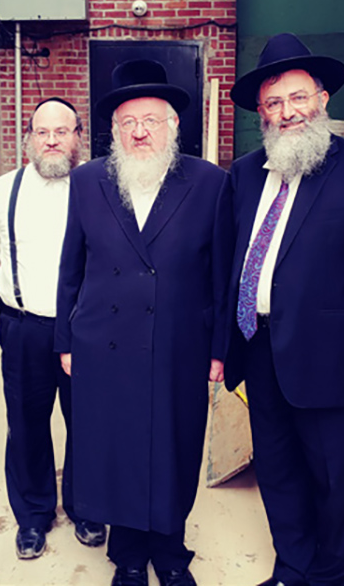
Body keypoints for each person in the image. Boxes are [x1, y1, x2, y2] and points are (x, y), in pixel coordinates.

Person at [224, 33, 344, 586]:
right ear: (261, 112)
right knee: (279, 471)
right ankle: (292, 569)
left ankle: (334, 580)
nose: (287, 112)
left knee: (338, 483)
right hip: (261, 350)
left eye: (298, 97)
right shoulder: (244, 175)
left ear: (323, 99)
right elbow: (232, 262)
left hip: (339, 359)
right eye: (274, 102)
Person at [55, 60, 231, 586]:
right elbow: (71, 265)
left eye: (151, 120)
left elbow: (222, 275)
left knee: (175, 445)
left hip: (180, 341)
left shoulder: (210, 182)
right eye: (127, 122)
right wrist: (65, 338)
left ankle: (170, 552)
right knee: (119, 447)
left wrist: (220, 348)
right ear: (114, 130)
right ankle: (128, 554)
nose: (139, 132)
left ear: (173, 124)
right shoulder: (88, 180)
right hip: (104, 341)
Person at [0, 97, 107, 560]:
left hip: (84, 332)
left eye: (61, 131)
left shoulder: (99, 188)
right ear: (28, 138)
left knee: (88, 421)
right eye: (42, 132)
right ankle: (32, 516)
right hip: (24, 328)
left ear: (78, 137)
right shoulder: (2, 191)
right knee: (25, 424)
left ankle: (87, 508)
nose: (51, 141)